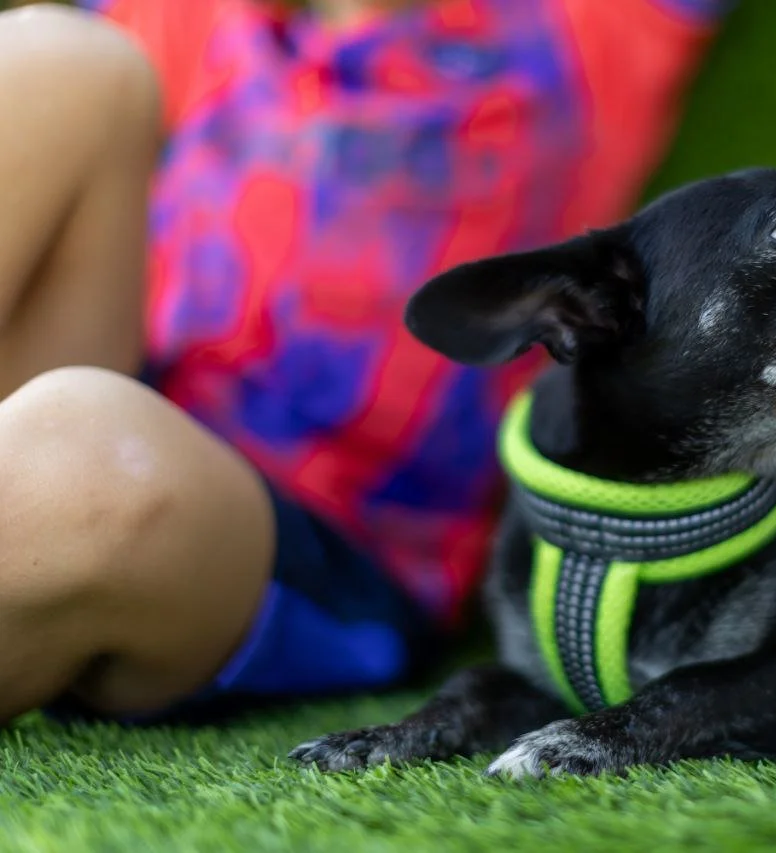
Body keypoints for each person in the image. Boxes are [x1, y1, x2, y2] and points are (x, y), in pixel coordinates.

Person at [0, 0, 728, 725]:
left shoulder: (586, 26)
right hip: (107, 391)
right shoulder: (197, 16)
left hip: (312, 543)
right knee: (56, 57)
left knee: (84, 453)